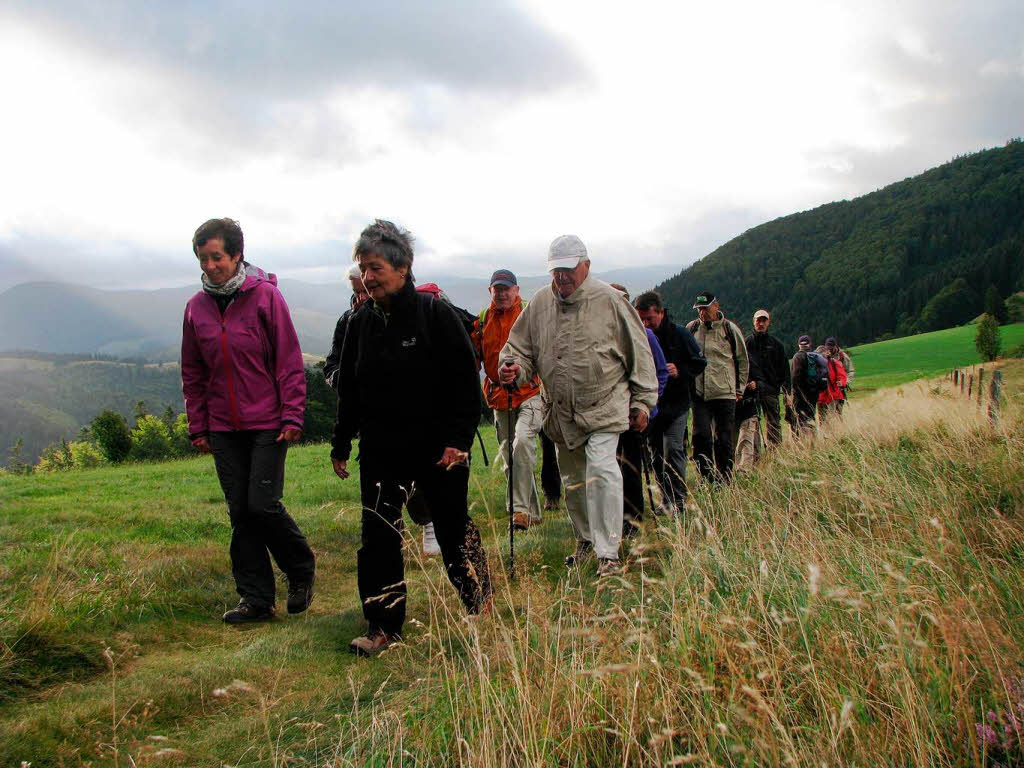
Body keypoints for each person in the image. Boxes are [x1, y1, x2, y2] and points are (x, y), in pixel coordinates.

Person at [330, 219, 491, 656]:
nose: (368, 276)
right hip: (382, 448)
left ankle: (481, 605)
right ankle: (382, 626)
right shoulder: (360, 323)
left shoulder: (435, 315)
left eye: (376, 266)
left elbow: (464, 385)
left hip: (439, 447)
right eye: (363, 267)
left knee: (453, 528)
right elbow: (350, 390)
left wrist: (457, 442)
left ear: (404, 268)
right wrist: (341, 444)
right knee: (379, 535)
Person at [181, 217, 316, 624]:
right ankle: (256, 600)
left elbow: (289, 360)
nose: (209, 266)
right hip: (222, 426)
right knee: (240, 512)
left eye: (216, 257)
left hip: (267, 422)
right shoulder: (195, 308)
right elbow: (193, 372)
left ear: (237, 255)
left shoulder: (266, 298)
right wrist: (198, 425)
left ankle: (300, 570)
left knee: (262, 505)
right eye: (203, 258)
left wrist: (293, 413)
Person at [499, 235, 658, 577]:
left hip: (605, 405)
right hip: (560, 413)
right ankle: (586, 541)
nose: (562, 278)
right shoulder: (540, 303)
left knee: (602, 473)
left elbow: (640, 355)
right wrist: (511, 367)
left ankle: (609, 554)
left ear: (586, 265)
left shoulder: (612, 301)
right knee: (573, 480)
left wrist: (644, 401)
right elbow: (519, 350)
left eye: (569, 269)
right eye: (556, 270)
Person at [472, 269, 545, 531]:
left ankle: (519, 511)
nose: (502, 293)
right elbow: (473, 358)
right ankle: (532, 515)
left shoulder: (529, 315)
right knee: (510, 457)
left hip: (530, 392)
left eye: (506, 288)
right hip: (498, 397)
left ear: (517, 290)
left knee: (523, 443)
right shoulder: (482, 321)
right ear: (490, 291)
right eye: (497, 289)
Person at [634, 290, 707, 514]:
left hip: (677, 403)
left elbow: (700, 362)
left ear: (662, 313)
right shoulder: (639, 337)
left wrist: (679, 370)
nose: (646, 323)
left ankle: (679, 500)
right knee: (655, 453)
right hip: (653, 405)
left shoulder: (681, 335)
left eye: (650, 318)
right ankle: (666, 500)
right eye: (642, 319)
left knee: (673, 450)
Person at [609, 284, 668, 536]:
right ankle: (614, 518)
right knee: (610, 468)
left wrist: (646, 406)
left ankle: (632, 522)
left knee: (630, 467)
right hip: (608, 412)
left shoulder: (645, 335)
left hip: (633, 414)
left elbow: (660, 373)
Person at [685, 292, 749, 484]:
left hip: (724, 393)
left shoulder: (730, 329)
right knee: (701, 437)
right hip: (699, 394)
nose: (702, 312)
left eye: (705, 308)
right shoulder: (692, 328)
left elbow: (742, 360)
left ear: (716, 306)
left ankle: (725, 478)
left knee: (724, 439)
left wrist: (740, 389)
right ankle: (707, 478)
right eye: (699, 309)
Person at [324, 264, 370, 390]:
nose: (362, 297)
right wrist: (344, 378)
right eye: (357, 292)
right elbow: (331, 365)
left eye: (366, 291)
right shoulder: (346, 320)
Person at [790, 335, 825, 435]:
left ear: (799, 345)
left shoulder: (798, 356)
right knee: (811, 416)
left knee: (799, 419)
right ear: (810, 344)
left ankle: (802, 442)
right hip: (814, 393)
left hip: (801, 395)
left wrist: (794, 392)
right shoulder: (816, 356)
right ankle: (813, 439)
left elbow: (795, 378)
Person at [817, 341, 849, 423]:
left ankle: (838, 434)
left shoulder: (834, 363)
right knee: (823, 421)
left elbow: (842, 376)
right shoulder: (815, 365)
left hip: (834, 396)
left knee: (835, 419)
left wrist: (841, 382)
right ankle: (827, 435)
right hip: (821, 397)